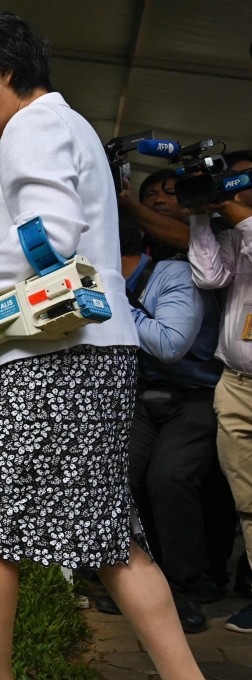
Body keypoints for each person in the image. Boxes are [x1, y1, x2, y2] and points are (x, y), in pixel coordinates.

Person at [0, 13, 205, 679]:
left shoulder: (33, 127)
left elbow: (50, 238)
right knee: (111, 538)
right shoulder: (68, 128)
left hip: (57, 362)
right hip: (96, 353)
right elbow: (40, 265)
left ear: (6, 73)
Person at [116, 213, 222, 633]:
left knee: (170, 478)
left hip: (193, 396)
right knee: (121, 477)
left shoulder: (174, 275)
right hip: (142, 398)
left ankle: (184, 592)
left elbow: (170, 343)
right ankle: (141, 584)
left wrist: (114, 302)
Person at [187, 149, 252, 634]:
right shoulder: (235, 233)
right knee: (247, 502)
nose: (231, 193)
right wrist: (200, 219)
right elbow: (209, 276)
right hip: (235, 385)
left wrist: (243, 218)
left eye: (238, 185)